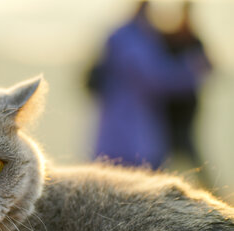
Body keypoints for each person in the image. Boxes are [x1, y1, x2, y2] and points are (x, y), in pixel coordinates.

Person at [88, 1, 203, 169]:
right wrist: (191, 69)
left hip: (118, 131)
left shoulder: (121, 36)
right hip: (133, 135)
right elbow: (157, 78)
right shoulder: (136, 40)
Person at [162, 1, 212, 183]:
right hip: (169, 114)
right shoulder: (170, 39)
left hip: (186, 113)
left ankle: (212, 190)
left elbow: (208, 67)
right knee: (163, 160)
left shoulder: (194, 40)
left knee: (191, 156)